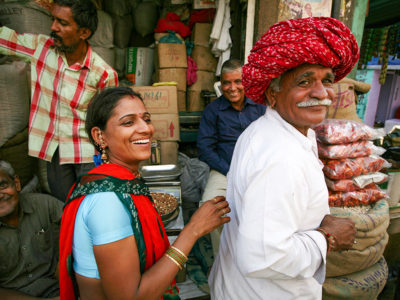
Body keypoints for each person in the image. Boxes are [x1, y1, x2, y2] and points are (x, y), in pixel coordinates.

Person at [209, 17, 359, 299]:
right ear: (272, 94)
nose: (320, 93)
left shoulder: (282, 131)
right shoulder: (280, 156)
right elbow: (263, 257)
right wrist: (327, 237)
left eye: (326, 80)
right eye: (304, 81)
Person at [58, 87, 231, 300]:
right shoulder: (107, 202)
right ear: (100, 136)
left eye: (146, 119)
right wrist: (193, 230)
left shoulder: (122, 182)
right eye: (128, 122)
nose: (145, 129)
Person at [0, 0, 118, 202]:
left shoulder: (103, 73)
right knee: (65, 208)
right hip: (55, 152)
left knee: (93, 207)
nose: (53, 27)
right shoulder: (42, 49)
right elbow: (5, 40)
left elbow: (110, 123)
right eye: (53, 19)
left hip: (88, 155)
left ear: (84, 33)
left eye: (62, 23)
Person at [197, 59, 266, 257]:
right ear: (221, 84)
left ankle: (254, 258)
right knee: (210, 207)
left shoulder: (261, 107)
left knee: (266, 208)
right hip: (224, 170)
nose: (232, 88)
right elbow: (205, 148)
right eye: (226, 83)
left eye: (238, 81)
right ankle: (222, 260)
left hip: (258, 170)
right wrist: (230, 171)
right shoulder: (213, 110)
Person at [0, 160, 63, 299]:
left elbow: (82, 226)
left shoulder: (44, 204)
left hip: (57, 288)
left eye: (2, 186)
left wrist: (65, 261)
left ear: (16, 183)